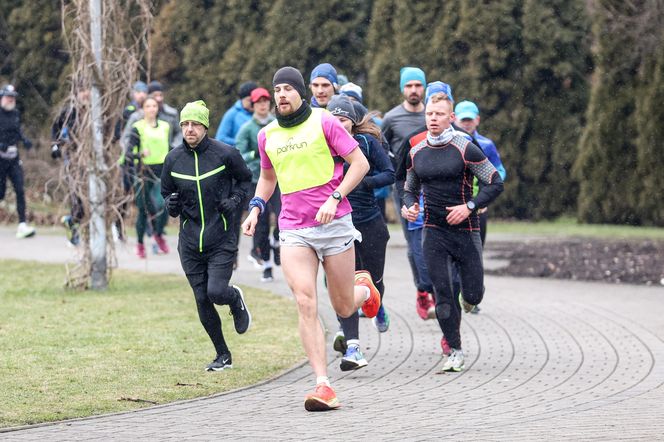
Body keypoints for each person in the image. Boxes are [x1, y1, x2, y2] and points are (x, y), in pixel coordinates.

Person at [241, 67, 381, 411]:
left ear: (301, 93)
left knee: (344, 306)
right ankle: (323, 384)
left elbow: (359, 163)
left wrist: (335, 198)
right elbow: (267, 178)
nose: (282, 95)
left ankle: (365, 290)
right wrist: (256, 208)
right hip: (294, 229)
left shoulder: (324, 122)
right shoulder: (267, 135)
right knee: (305, 301)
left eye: (289, 88)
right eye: (277, 89)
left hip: (334, 225)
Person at [403, 91, 504, 372]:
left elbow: (495, 183)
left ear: (451, 118)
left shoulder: (466, 148)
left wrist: (469, 206)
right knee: (442, 294)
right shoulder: (417, 151)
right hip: (433, 232)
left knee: (473, 295)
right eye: (429, 114)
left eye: (438, 114)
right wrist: (409, 206)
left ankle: (469, 299)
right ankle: (455, 350)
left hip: (466, 231)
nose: (433, 119)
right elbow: (409, 188)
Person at [161, 100, 253, 371]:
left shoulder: (225, 154)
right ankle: (222, 354)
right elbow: (166, 191)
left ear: (205, 127)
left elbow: (245, 180)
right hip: (189, 242)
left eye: (195, 124)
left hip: (221, 236)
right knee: (201, 299)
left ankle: (234, 298)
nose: (190, 129)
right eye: (185, 124)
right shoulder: (173, 159)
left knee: (216, 292)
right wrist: (171, 204)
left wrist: (235, 200)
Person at [328, 94, 394, 335]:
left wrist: (364, 182)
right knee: (343, 283)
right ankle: (345, 332)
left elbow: (389, 173)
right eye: (333, 118)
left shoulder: (366, 142)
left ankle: (377, 305)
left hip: (369, 221)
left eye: (343, 119)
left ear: (353, 121)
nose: (338, 123)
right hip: (338, 223)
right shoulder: (322, 144)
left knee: (374, 280)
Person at [381, 67, 436, 319]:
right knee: (414, 244)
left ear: (424, 88)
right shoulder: (392, 119)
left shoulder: (434, 115)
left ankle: (438, 289)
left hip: (435, 188)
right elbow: (381, 151)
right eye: (409, 86)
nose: (414, 90)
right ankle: (422, 291)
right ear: (402, 89)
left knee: (435, 239)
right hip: (405, 188)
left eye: (418, 85)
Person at [235, 87, 280, 282]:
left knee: (282, 216)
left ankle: (277, 241)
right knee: (261, 224)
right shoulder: (247, 128)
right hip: (257, 179)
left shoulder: (277, 124)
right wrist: (257, 153)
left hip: (280, 178)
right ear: (252, 106)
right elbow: (239, 154)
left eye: (266, 101)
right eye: (258, 102)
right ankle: (267, 266)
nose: (263, 105)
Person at [454, 100, 507, 245]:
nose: (466, 124)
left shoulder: (487, 145)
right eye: (463, 119)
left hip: (479, 204)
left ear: (477, 120)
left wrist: (488, 191)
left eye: (469, 119)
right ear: (454, 119)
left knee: (476, 248)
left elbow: (499, 170)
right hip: (454, 202)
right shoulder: (448, 143)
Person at [125, 95, 172, 258]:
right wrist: (140, 154)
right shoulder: (137, 127)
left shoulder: (165, 126)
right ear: (142, 109)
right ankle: (139, 243)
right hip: (143, 172)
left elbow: (170, 147)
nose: (152, 109)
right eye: (148, 106)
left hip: (162, 172)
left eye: (154, 106)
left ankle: (158, 234)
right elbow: (128, 154)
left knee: (164, 205)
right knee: (144, 210)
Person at [51, 86, 92, 246]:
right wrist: (55, 145)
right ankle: (74, 229)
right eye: (82, 90)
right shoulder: (69, 112)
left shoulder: (96, 111)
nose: (85, 93)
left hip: (92, 162)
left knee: (93, 199)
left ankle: (87, 231)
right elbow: (56, 129)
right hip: (73, 160)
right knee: (77, 199)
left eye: (87, 89)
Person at [0, 84, 36, 239]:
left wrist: (25, 140)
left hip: (14, 158)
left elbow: (17, 130)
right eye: (8, 97)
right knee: (0, 194)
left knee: (20, 190)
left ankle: (22, 224)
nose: (11, 99)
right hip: (0, 159)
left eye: (13, 97)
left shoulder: (15, 113)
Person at [214, 81, 257, 146]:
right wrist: (241, 142)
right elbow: (221, 138)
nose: (252, 103)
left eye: (255, 100)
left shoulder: (261, 113)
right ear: (242, 99)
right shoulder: (232, 114)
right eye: (249, 100)